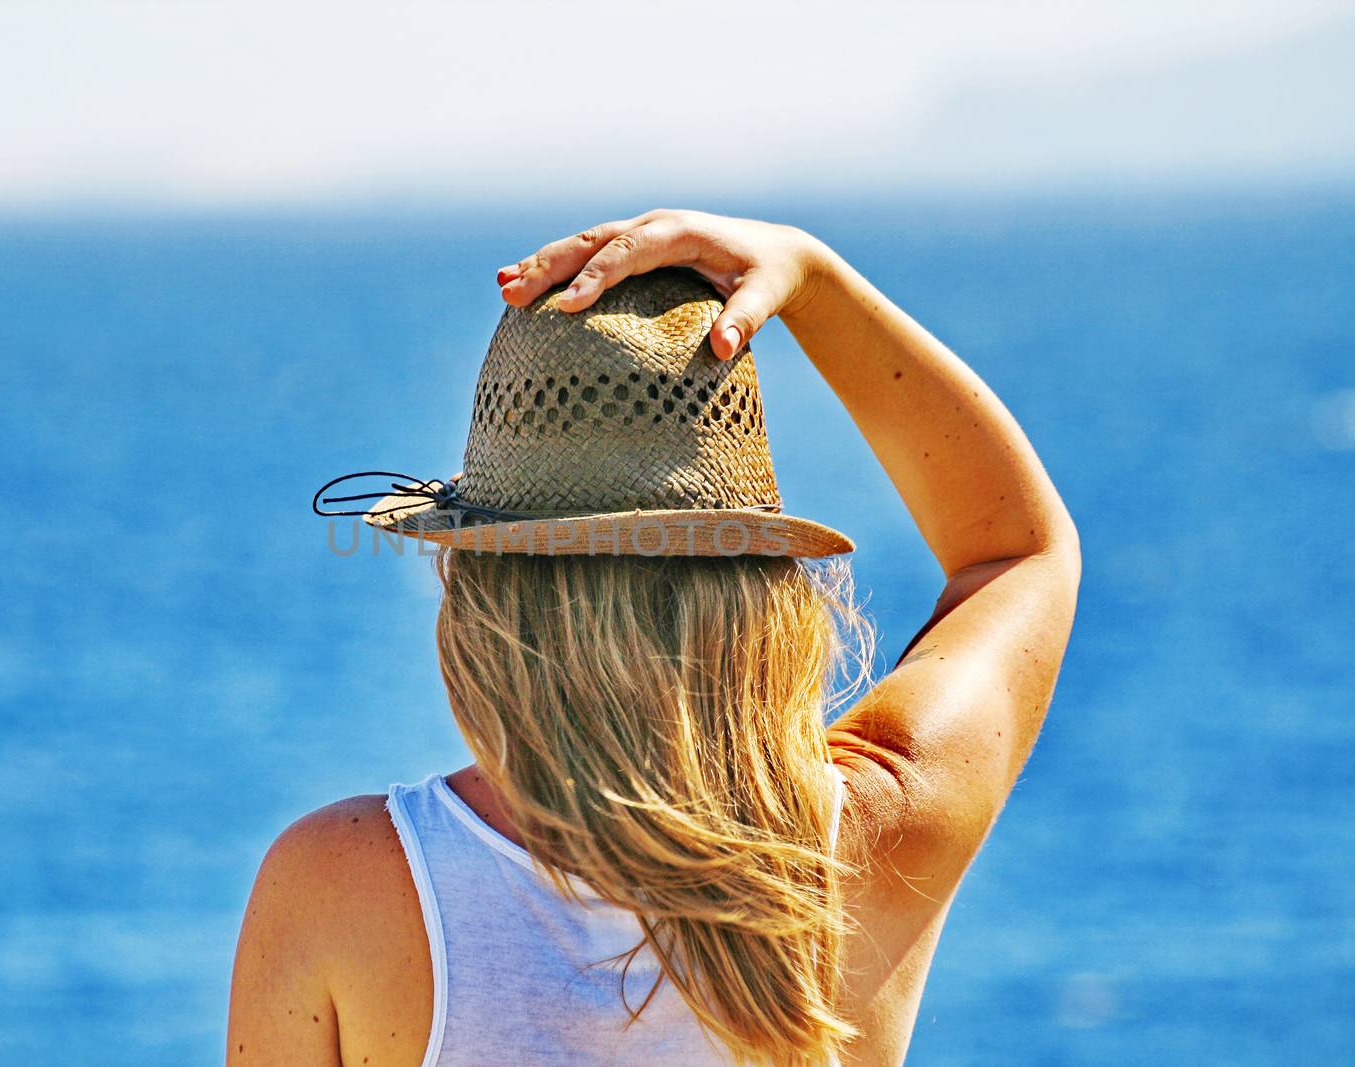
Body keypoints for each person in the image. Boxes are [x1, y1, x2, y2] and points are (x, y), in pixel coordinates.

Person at [227, 209, 1081, 1066]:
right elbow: (1018, 554)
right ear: (762, 587)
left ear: (480, 591)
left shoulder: (344, 887)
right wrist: (813, 280)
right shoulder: (868, 841)